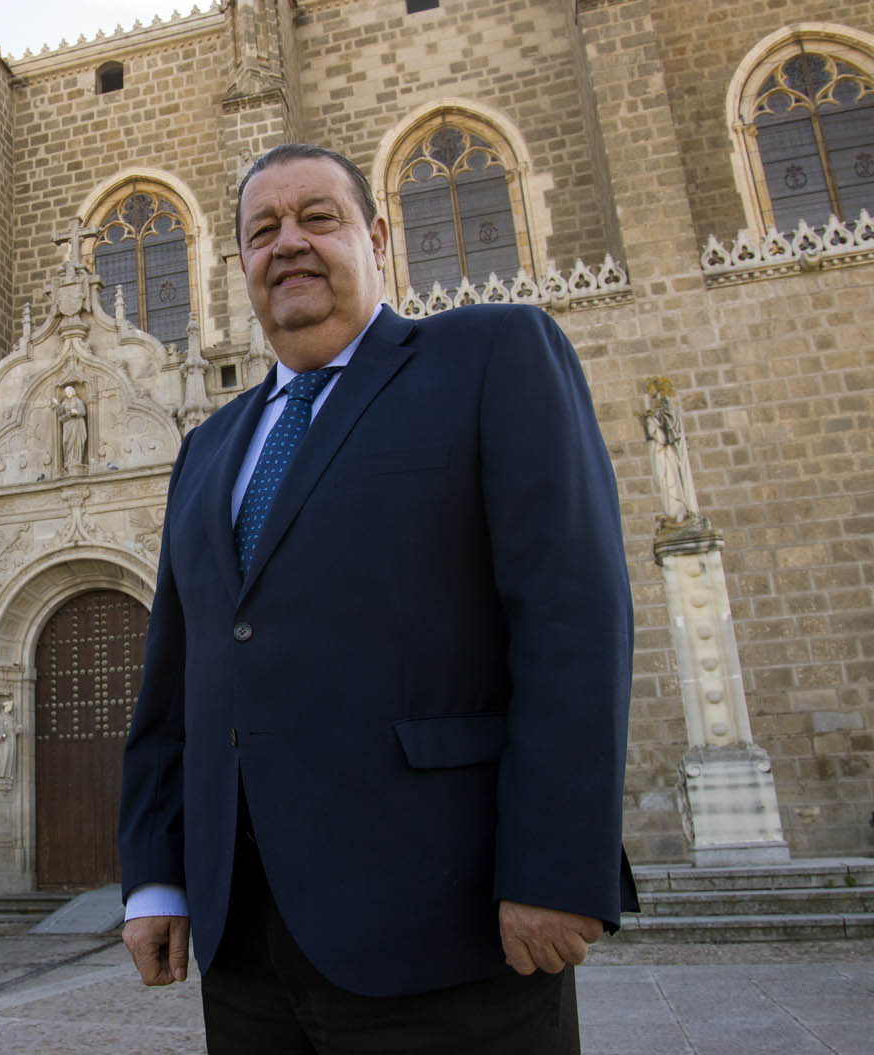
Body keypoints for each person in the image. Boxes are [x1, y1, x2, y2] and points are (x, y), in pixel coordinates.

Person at [117, 143, 636, 1053]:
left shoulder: (490, 355)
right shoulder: (206, 449)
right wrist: (156, 876)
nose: (288, 244)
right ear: (239, 263)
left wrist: (557, 864)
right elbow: (176, 684)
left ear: (379, 236)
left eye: (318, 217)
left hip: (444, 919)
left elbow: (572, 617)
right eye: (261, 231)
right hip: (244, 941)